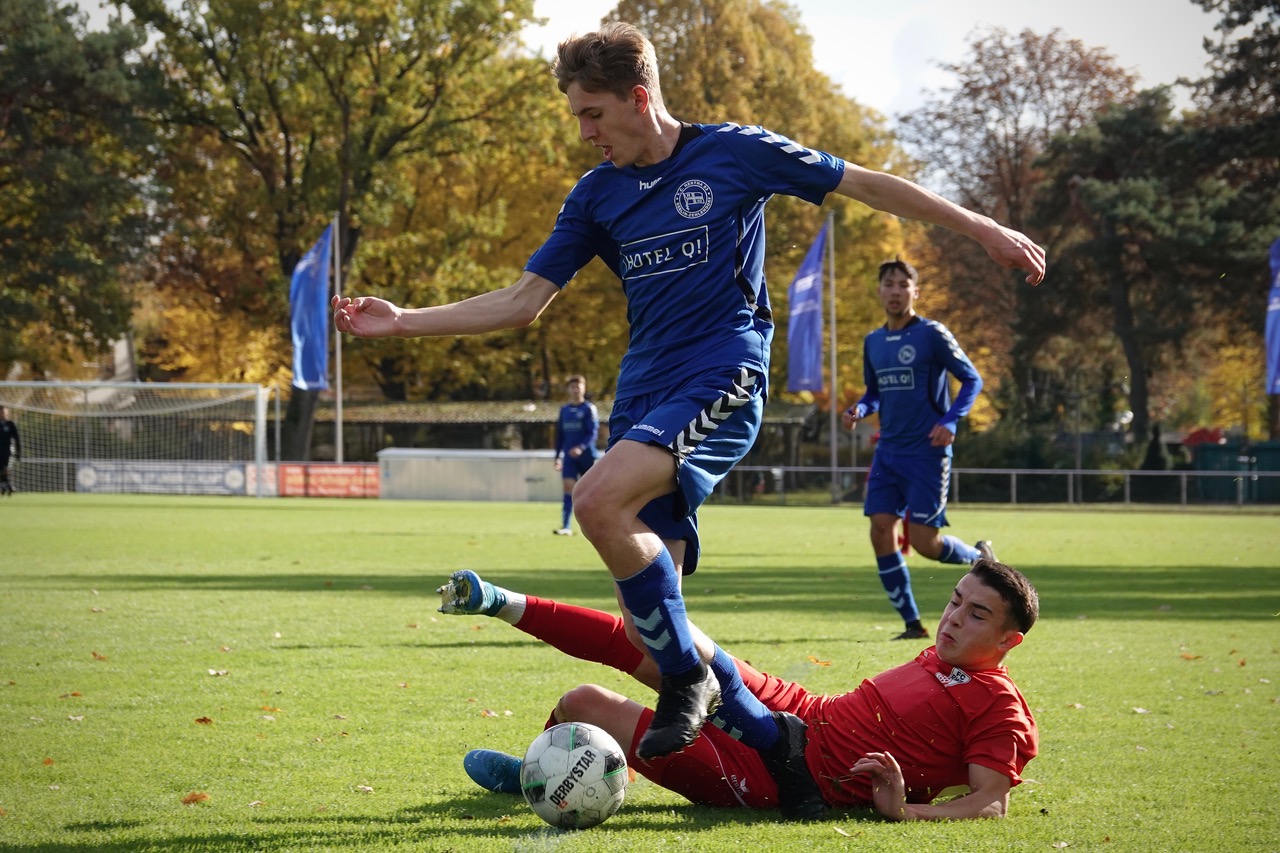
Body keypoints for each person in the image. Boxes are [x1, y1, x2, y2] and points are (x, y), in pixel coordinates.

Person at [333, 22, 1045, 781]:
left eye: (592, 114)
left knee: (600, 504)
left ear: (639, 99)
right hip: (642, 389)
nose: (583, 132)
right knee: (652, 637)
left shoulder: (734, 152)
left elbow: (865, 182)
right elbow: (521, 300)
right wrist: (405, 320)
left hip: (722, 372)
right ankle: (775, 745)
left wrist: (981, 226)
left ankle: (695, 684)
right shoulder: (596, 193)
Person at [439, 558, 1039, 822]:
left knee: (582, 703)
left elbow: (992, 801)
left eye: (977, 615)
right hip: (800, 709)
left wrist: (904, 810)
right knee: (660, 639)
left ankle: (537, 780)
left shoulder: (999, 705)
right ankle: (502, 602)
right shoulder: (944, 656)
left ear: (1009, 641)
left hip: (785, 771)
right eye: (956, 601)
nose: (954, 618)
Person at [843, 260, 995, 641]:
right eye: (888, 284)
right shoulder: (873, 341)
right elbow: (874, 392)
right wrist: (860, 409)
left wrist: (951, 420)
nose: (895, 291)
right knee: (880, 529)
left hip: (927, 452)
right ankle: (912, 623)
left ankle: (980, 559)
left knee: (925, 543)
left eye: (902, 284)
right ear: (879, 291)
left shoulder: (932, 334)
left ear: (915, 291)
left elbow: (972, 379)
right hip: (888, 452)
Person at [552, 375, 600, 535]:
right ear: (568, 389)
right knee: (568, 487)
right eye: (572, 386)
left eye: (578, 386)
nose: (575, 389)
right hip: (569, 458)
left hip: (587, 456)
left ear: (584, 388)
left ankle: (595, 525)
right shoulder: (564, 410)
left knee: (590, 493)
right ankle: (566, 526)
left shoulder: (588, 409)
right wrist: (557, 456)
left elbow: (593, 433)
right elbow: (560, 435)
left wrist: (581, 447)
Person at [0, 405, 20, 497]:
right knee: (2, 470)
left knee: (5, 469)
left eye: (4, 412)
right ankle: (7, 485)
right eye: (1, 412)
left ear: (7, 412)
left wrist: (18, 452)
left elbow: (17, 439)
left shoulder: (10, 424)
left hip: (7, 452)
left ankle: (6, 485)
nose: (3, 413)